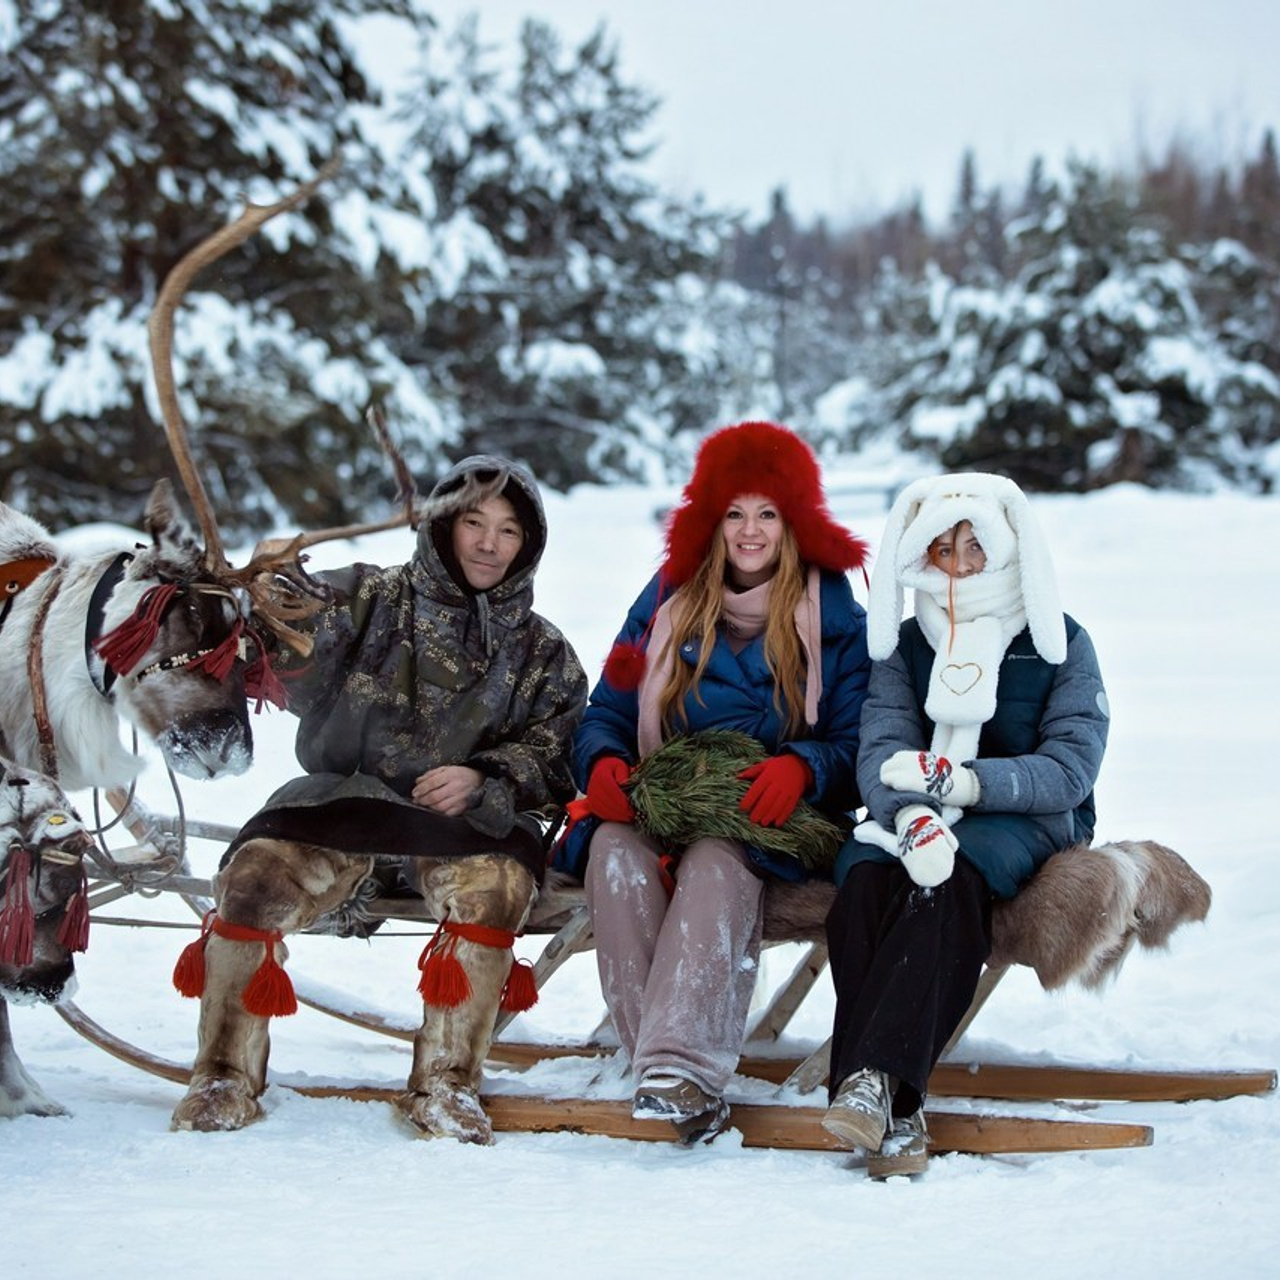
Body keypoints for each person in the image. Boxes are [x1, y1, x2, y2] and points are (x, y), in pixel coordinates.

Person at [169, 456, 587, 1143]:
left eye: (508, 530)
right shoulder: (366, 600)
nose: (489, 543)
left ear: (529, 543)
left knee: (494, 892)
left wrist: (487, 778)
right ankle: (223, 1075)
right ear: (443, 527)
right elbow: (279, 640)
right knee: (252, 877)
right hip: (341, 803)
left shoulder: (545, 654)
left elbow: (559, 750)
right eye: (474, 523)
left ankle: (447, 1085)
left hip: (463, 825)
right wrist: (270, 593)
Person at [557, 420, 872, 1143]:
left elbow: (859, 739)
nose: (750, 531)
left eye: (767, 513)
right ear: (712, 519)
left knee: (713, 863)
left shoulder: (831, 614)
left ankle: (680, 1069)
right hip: (662, 798)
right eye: (734, 513)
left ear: (792, 522)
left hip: (768, 825)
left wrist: (806, 766)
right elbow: (608, 707)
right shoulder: (669, 596)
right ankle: (663, 1073)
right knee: (612, 851)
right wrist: (602, 763)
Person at [823, 472, 1109, 1178]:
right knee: (861, 880)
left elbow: (1071, 768)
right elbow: (882, 747)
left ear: (1005, 549)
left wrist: (973, 784)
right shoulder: (904, 643)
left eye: (972, 546)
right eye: (942, 548)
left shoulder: (1059, 641)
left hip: (1026, 815)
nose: (957, 563)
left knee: (948, 879)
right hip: (917, 806)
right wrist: (911, 811)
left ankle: (878, 1080)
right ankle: (894, 1108)